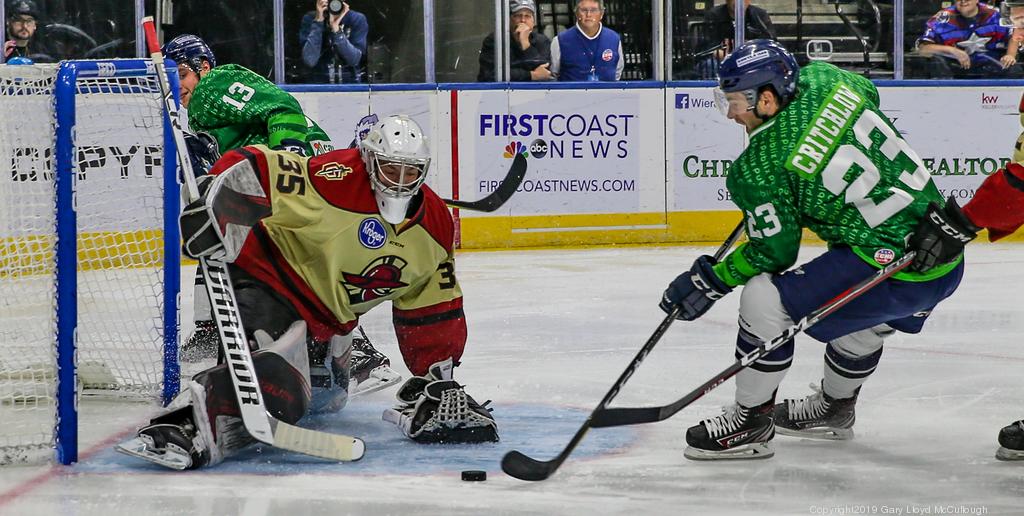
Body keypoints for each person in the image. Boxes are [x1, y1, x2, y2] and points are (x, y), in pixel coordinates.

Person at [116, 115, 499, 470]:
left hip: (332, 320)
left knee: (325, 403)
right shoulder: (333, 178)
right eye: (390, 168)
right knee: (272, 382)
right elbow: (260, 166)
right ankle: (188, 423)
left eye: (410, 171)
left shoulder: (433, 226)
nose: (399, 180)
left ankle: (328, 357)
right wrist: (216, 199)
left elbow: (434, 306)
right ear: (369, 160)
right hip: (268, 277)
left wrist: (436, 376)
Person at [660, 40, 965, 460]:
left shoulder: (758, 166)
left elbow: (773, 253)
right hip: (941, 254)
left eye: (734, 102)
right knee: (865, 322)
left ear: (766, 99)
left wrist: (713, 278)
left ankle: (750, 421)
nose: (730, 114)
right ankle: (835, 408)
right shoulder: (825, 77)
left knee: (763, 300)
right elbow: (869, 96)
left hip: (891, 271)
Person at [161, 34, 401, 396]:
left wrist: (288, 164)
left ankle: (362, 358)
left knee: (301, 268)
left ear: (203, 68)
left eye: (181, 73)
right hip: (303, 178)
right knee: (225, 240)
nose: (176, 85)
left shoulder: (213, 85)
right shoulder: (202, 112)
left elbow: (283, 107)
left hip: (304, 177)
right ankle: (220, 334)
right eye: (169, 78)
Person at [916, 0, 1022, 78]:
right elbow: (923, 48)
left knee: (1014, 69)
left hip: (991, 67)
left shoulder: (994, 14)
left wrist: (1010, 55)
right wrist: (952, 51)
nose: (963, 1)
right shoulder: (942, 19)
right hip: (955, 70)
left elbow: (1013, 36)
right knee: (936, 65)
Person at [694, 0, 776, 79]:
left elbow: (770, 43)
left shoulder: (759, 15)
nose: (738, 2)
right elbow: (706, 46)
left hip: (751, 60)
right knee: (709, 65)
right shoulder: (714, 15)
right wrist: (721, 53)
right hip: (722, 61)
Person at [477, 0, 554, 82]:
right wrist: (531, 75)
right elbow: (490, 75)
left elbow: (544, 73)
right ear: (509, 20)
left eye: (527, 16)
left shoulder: (542, 41)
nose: (523, 20)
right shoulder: (495, 41)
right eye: (518, 16)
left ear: (533, 22)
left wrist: (525, 44)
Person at [550, 0, 624, 81]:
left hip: (607, 93)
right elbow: (553, 75)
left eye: (593, 10)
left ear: (601, 14)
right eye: (584, 10)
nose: (588, 15)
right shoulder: (560, 41)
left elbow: (617, 72)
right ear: (576, 13)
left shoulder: (614, 39)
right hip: (572, 93)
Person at [299, 0, 368, 84]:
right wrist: (318, 21)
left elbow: (354, 60)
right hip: (318, 84)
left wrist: (336, 29)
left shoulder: (356, 19)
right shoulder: (310, 18)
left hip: (349, 84)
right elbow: (310, 60)